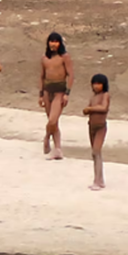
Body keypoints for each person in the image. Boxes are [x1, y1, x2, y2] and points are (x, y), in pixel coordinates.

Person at [40, 32, 74, 160]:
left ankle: (47, 138)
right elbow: (42, 76)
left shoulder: (64, 57)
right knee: (54, 123)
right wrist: (40, 94)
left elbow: (70, 75)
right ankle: (58, 149)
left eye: (56, 41)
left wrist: (67, 93)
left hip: (60, 91)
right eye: (51, 41)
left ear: (60, 43)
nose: (53, 44)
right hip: (47, 90)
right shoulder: (44, 58)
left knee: (52, 120)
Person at [83, 74, 111, 191]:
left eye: (99, 84)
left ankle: (97, 180)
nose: (96, 86)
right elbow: (88, 109)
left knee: (96, 151)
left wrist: (90, 109)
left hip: (100, 127)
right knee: (95, 154)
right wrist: (86, 110)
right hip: (91, 126)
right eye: (94, 83)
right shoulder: (93, 97)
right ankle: (100, 178)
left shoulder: (105, 95)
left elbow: (104, 108)